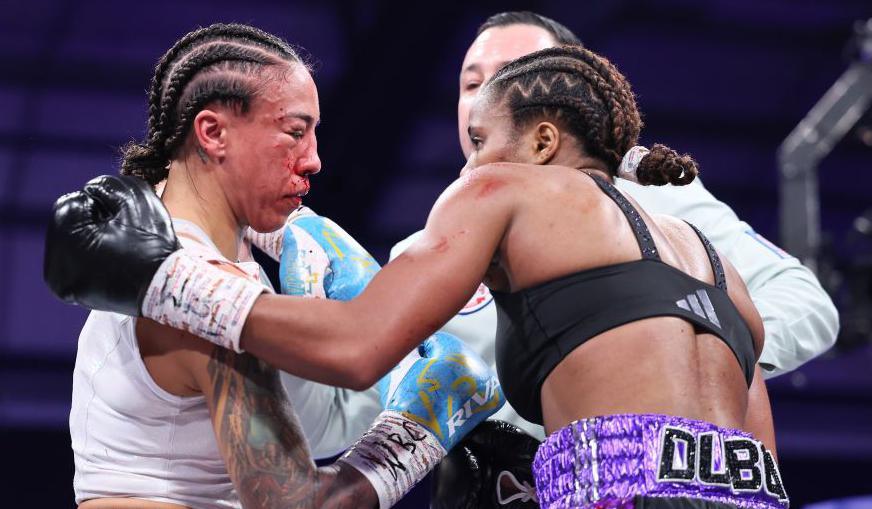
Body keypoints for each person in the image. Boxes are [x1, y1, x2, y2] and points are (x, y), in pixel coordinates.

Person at [46, 43, 789, 507]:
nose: (467, 165)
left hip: (610, 485)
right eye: (296, 132)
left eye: (479, 140)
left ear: (539, 139)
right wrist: (420, 431)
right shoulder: (713, 259)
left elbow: (364, 342)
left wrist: (158, 278)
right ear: (211, 132)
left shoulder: (505, 189)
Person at [60, 23, 502, 509]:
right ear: (212, 133)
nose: (313, 160)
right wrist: (409, 439)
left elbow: (317, 422)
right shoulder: (205, 301)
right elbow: (291, 502)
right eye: (294, 132)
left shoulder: (188, 250)